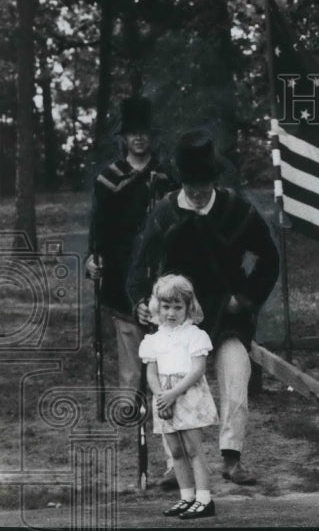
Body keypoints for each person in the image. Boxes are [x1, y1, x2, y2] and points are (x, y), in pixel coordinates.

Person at [128, 129, 280, 485]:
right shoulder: (165, 211)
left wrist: (244, 299)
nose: (196, 194)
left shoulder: (236, 209)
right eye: (190, 186)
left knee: (236, 371)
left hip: (225, 314)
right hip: (175, 318)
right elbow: (138, 266)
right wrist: (139, 303)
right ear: (182, 180)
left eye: (203, 185)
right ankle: (173, 464)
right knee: (171, 382)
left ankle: (231, 457)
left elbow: (269, 259)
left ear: (214, 180)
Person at [85, 96, 178, 485]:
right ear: (124, 139)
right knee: (131, 371)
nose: (138, 140)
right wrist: (94, 257)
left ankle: (172, 454)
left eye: (144, 133)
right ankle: (136, 441)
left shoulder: (166, 177)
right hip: (123, 279)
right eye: (132, 134)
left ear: (151, 138)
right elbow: (99, 226)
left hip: (162, 282)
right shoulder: (110, 179)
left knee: (166, 371)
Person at [139, 275, 218, 519]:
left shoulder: (194, 335)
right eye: (166, 307)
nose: (171, 313)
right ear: (157, 307)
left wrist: (173, 393)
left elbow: (198, 370)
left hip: (187, 394)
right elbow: (151, 372)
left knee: (193, 449)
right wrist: (161, 396)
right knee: (175, 452)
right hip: (165, 398)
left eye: (177, 307)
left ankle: (205, 499)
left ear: (188, 307)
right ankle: (187, 497)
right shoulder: (153, 339)